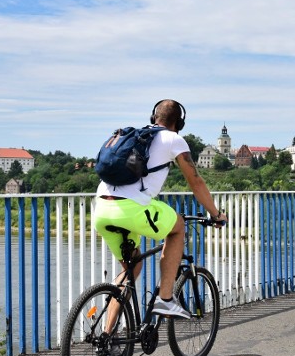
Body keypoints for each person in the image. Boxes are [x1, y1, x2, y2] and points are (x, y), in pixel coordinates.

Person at [93, 99, 227, 324]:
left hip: (102, 208)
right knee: (177, 228)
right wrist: (216, 214)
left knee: (130, 271)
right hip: (132, 208)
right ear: (180, 122)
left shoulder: (135, 137)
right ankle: (165, 299)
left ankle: (106, 337)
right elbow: (196, 182)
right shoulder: (174, 140)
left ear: (153, 117)